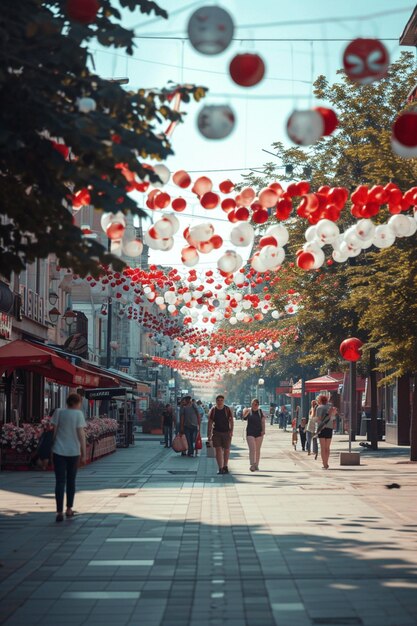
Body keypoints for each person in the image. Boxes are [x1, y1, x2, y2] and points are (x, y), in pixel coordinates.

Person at [51, 393, 86, 523]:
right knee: (71, 481)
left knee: (59, 481)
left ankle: (59, 511)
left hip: (58, 451)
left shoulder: (59, 412)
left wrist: (51, 448)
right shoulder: (78, 414)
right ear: (77, 403)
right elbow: (81, 434)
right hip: (73, 452)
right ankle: (69, 509)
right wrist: (84, 453)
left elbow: (53, 432)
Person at [208, 395, 234, 475]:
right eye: (218, 400)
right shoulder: (213, 410)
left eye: (221, 400)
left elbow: (231, 421)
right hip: (216, 433)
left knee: (226, 450)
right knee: (218, 450)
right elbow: (210, 422)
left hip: (226, 432)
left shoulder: (227, 409)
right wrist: (209, 434)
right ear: (216, 401)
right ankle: (220, 468)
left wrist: (231, 431)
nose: (220, 402)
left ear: (223, 401)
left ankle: (225, 466)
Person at [315, 394, 337, 469]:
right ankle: (326, 462)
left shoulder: (319, 408)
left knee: (322, 447)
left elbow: (318, 419)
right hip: (329, 428)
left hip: (321, 428)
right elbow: (333, 419)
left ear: (320, 400)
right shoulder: (331, 408)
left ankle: (324, 463)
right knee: (327, 447)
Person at [243, 398, 266, 472]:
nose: (255, 405)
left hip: (259, 432)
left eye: (256, 404)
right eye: (253, 404)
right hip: (250, 432)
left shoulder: (260, 412)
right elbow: (244, 418)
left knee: (257, 449)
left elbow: (263, 422)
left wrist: (263, 430)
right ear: (251, 404)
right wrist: (246, 412)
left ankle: (256, 465)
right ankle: (252, 464)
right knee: (252, 449)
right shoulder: (248, 410)